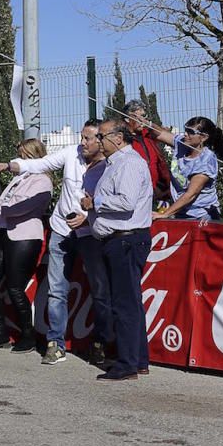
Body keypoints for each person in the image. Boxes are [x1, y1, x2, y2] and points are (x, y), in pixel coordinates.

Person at [0, 120, 112, 365]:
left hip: (92, 234)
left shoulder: (111, 165)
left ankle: (101, 343)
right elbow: (41, 163)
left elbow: (116, 201)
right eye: (82, 136)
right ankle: (55, 344)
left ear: (102, 140)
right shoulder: (71, 153)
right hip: (60, 229)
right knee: (57, 290)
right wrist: (9, 165)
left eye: (88, 138)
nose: (82, 143)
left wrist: (87, 218)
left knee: (100, 291)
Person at [81, 119, 153, 381]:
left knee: (124, 304)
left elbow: (126, 201)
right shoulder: (115, 164)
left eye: (101, 136)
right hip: (119, 239)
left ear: (119, 138)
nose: (98, 141)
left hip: (126, 239)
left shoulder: (129, 163)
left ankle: (127, 363)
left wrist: (94, 202)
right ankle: (137, 359)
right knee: (129, 302)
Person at [0, 139, 52, 352]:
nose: (19, 161)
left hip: (24, 237)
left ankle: (28, 335)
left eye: (23, 156)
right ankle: (0, 334)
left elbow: (22, 207)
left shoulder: (42, 181)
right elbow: (2, 205)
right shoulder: (17, 179)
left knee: (15, 288)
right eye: (19, 155)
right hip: (2, 233)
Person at [145, 116, 223, 221]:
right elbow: (159, 133)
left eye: (190, 132)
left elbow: (191, 194)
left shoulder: (207, 160)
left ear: (204, 137)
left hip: (202, 216)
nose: (185, 134)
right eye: (185, 130)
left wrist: (165, 214)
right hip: (182, 212)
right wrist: (147, 123)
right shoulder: (182, 143)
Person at [121, 100, 172, 204]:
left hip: (158, 193)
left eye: (144, 116)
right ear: (127, 119)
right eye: (137, 117)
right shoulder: (123, 139)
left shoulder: (149, 134)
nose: (142, 120)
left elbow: (163, 134)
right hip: (137, 193)